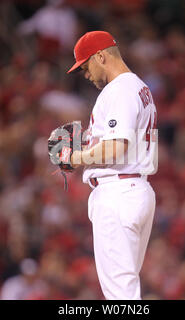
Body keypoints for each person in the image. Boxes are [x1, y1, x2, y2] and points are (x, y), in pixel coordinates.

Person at [66, 31, 158, 300]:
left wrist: (76, 158)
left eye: (85, 66)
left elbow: (117, 147)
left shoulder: (119, 90)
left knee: (121, 295)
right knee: (126, 289)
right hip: (135, 189)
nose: (85, 74)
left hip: (118, 194)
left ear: (101, 57)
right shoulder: (139, 87)